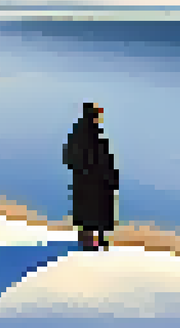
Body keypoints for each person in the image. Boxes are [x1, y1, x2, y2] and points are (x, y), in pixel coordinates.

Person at [63, 102, 120, 250]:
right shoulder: (93, 135)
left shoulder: (78, 134)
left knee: (88, 212)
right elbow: (103, 159)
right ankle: (96, 241)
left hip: (87, 181)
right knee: (96, 211)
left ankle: (92, 241)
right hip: (96, 181)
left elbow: (68, 157)